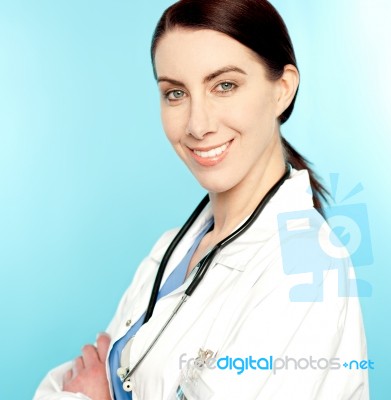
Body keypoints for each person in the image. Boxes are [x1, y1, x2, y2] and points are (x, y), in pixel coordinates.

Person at [34, 0, 369, 399]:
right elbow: (81, 378)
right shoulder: (171, 250)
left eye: (224, 86)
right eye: (175, 93)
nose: (197, 124)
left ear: (282, 90)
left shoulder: (309, 268)